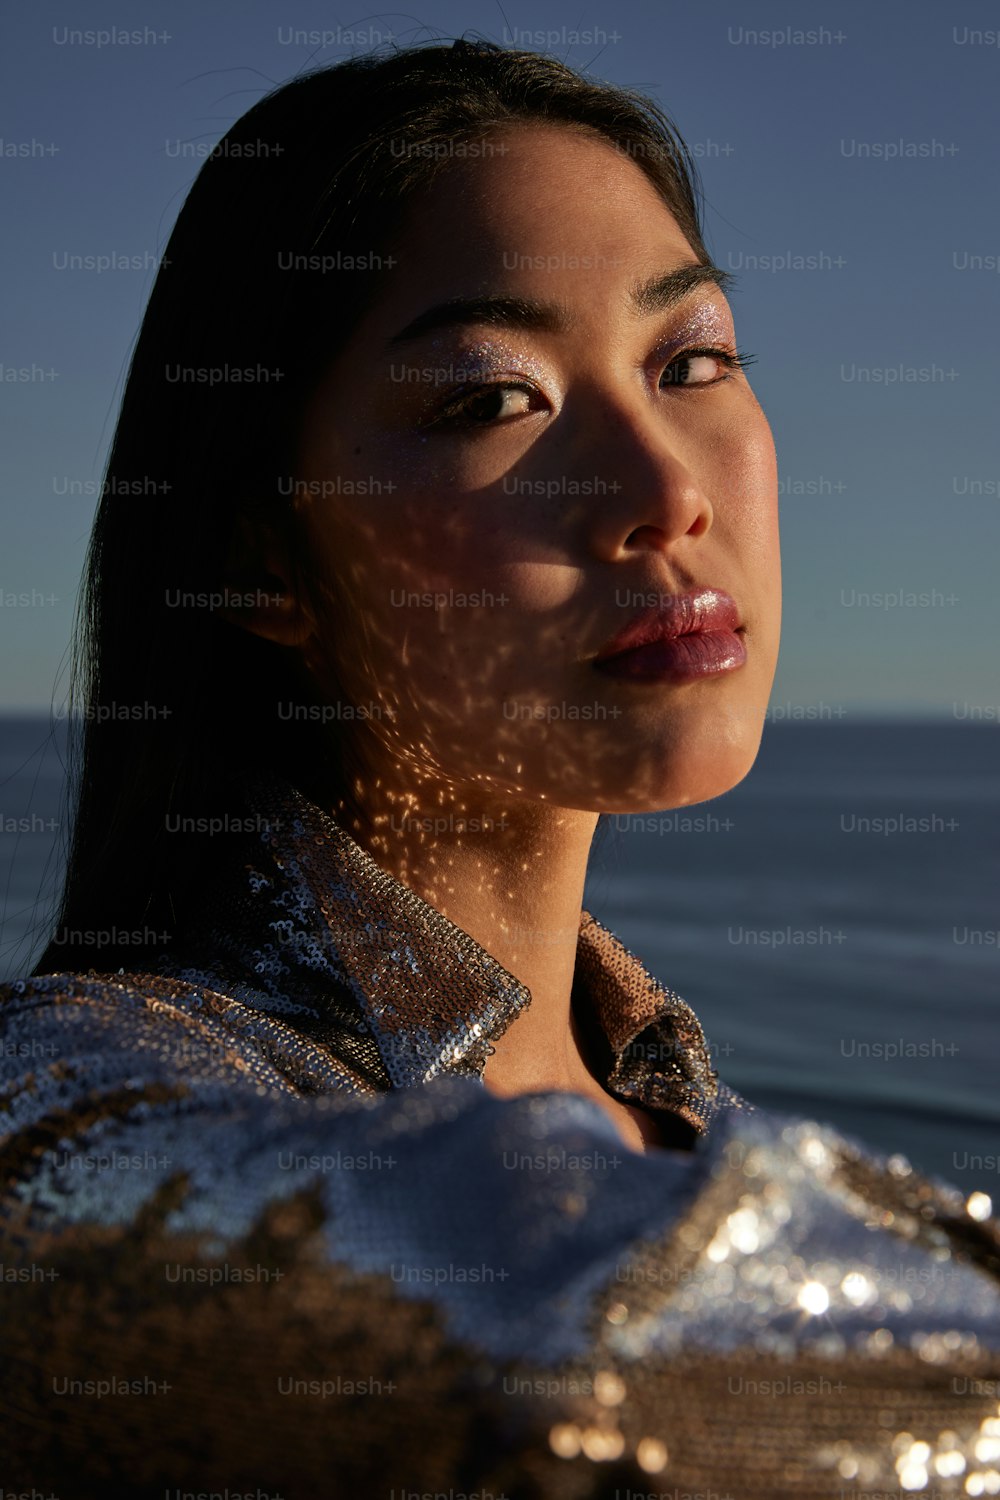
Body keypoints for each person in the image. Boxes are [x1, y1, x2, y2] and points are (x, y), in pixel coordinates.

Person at [1, 38, 997, 1499]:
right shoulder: (77, 1100)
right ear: (259, 555)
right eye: (492, 400)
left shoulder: (698, 1122)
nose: (667, 493)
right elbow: (550, 1335)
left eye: (694, 361)